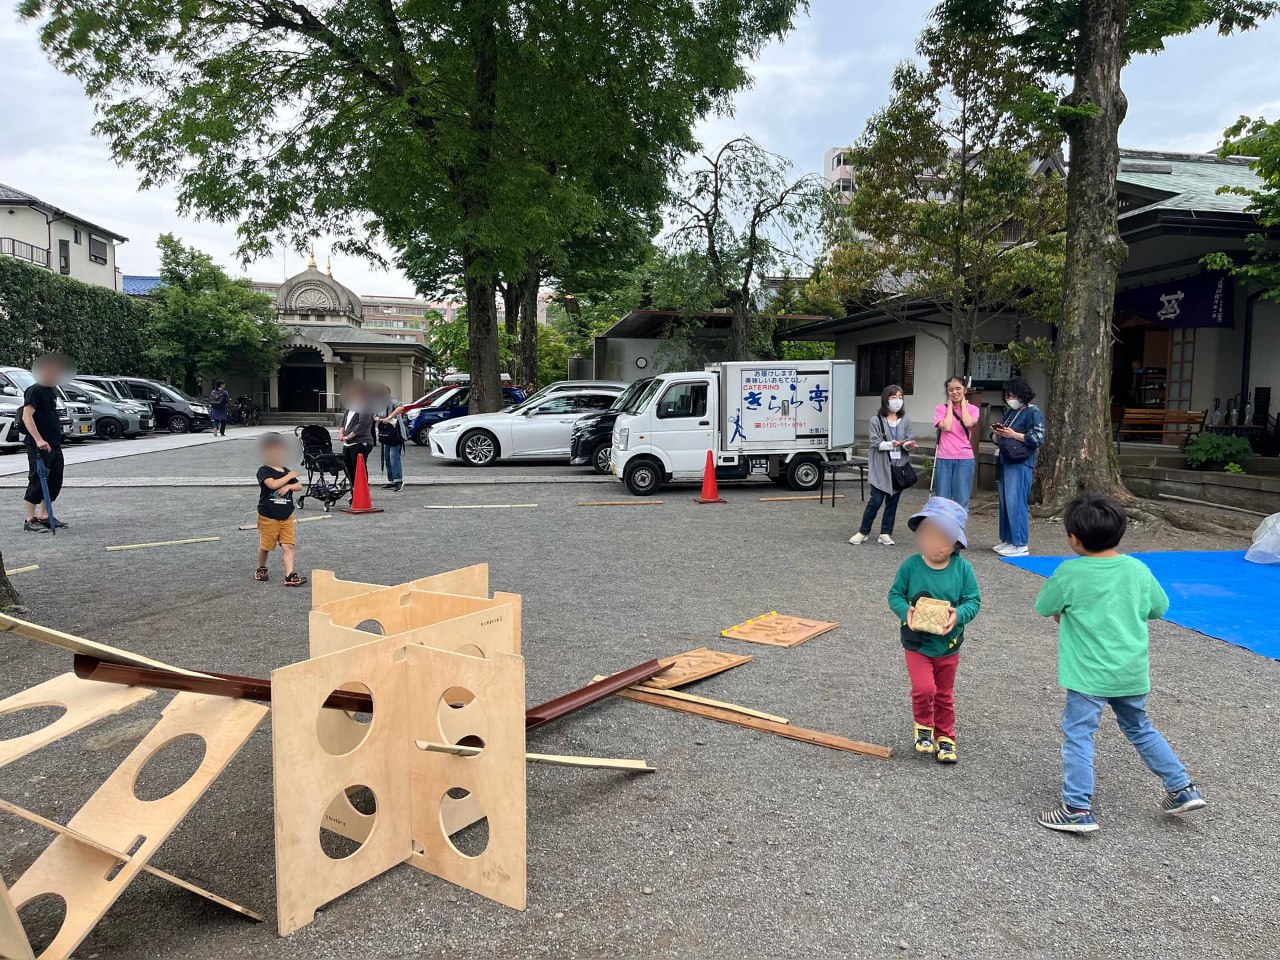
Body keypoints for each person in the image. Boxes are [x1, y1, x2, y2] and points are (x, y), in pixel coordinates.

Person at [1033, 494, 1206, 834]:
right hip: (1130, 672)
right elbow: (1158, 608)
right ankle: (1182, 786)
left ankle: (1076, 807)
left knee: (1079, 733)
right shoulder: (1137, 569)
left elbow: (1045, 606)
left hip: (1088, 675)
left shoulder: (1070, 572)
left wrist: (1067, 613)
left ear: (1074, 538)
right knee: (1140, 727)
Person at [887, 496, 981, 764]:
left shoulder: (963, 569)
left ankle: (946, 735)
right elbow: (895, 595)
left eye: (942, 538)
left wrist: (958, 615)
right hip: (916, 643)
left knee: (944, 693)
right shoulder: (910, 566)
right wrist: (906, 611)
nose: (934, 543)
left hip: (948, 645)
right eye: (928, 535)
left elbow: (973, 601)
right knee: (924, 688)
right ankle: (924, 726)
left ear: (956, 542)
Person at [850, 384, 915, 546]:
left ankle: (885, 533)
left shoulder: (906, 420)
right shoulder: (876, 420)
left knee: (892, 503)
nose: (897, 400)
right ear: (886, 399)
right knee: (876, 501)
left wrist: (908, 445)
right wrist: (891, 444)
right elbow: (874, 442)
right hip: (881, 467)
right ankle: (863, 531)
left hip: (899, 468)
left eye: (900, 397)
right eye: (893, 397)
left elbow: (908, 440)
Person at [991, 376, 1045, 557]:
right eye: (1007, 395)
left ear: (1022, 394)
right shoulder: (1010, 412)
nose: (1009, 399)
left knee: (1016, 502)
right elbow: (1000, 436)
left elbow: (1038, 438)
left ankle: (1020, 543)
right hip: (1005, 459)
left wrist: (1014, 435)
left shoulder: (1033, 412)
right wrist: (997, 434)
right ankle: (1008, 540)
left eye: (1012, 395)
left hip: (1020, 462)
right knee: (1006, 503)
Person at [19, 355, 68, 533]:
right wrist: (39, 439)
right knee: (38, 479)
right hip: (38, 445)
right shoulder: (35, 390)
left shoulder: (51, 391)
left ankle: (45, 516)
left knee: (55, 478)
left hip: (54, 443)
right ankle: (30, 519)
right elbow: (27, 416)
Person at [254, 433, 307, 586]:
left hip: (286, 515)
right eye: (272, 451)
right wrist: (289, 477)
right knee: (266, 546)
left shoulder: (285, 470)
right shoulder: (264, 470)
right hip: (268, 516)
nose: (275, 454)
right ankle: (261, 568)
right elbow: (272, 484)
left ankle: (289, 575)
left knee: (288, 545)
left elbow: (299, 486)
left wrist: (289, 486)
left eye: (278, 451)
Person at [933, 377, 979, 509]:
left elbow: (968, 423)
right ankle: (943, 523)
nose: (955, 392)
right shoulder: (940, 409)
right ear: (947, 392)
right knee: (942, 500)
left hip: (965, 458)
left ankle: (959, 523)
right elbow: (946, 426)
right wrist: (949, 408)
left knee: (962, 499)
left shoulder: (973, 409)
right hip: (944, 457)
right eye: (951, 390)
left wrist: (963, 406)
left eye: (958, 388)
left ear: (965, 390)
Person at [337, 382, 375, 489]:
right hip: (348, 443)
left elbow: (362, 423)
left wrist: (349, 436)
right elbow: (343, 421)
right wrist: (341, 433)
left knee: (358, 467)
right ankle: (354, 488)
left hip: (361, 441)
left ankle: (362, 490)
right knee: (347, 466)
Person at [373, 383, 406, 492]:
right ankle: (391, 480)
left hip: (395, 433)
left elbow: (401, 408)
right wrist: (377, 418)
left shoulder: (391, 401)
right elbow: (374, 414)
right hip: (386, 433)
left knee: (393, 456)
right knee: (387, 457)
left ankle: (398, 480)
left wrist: (390, 417)